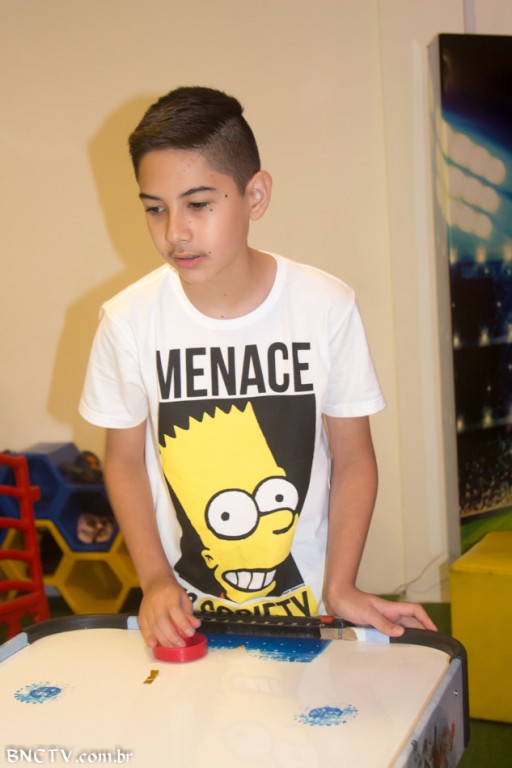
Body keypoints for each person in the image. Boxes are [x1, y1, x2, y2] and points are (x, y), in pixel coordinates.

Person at [80, 86, 436, 649]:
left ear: (256, 195)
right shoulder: (127, 321)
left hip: (311, 608)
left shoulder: (325, 305)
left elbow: (353, 457)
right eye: (155, 208)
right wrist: (154, 580)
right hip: (187, 617)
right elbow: (124, 461)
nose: (174, 232)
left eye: (198, 204)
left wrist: (341, 583)